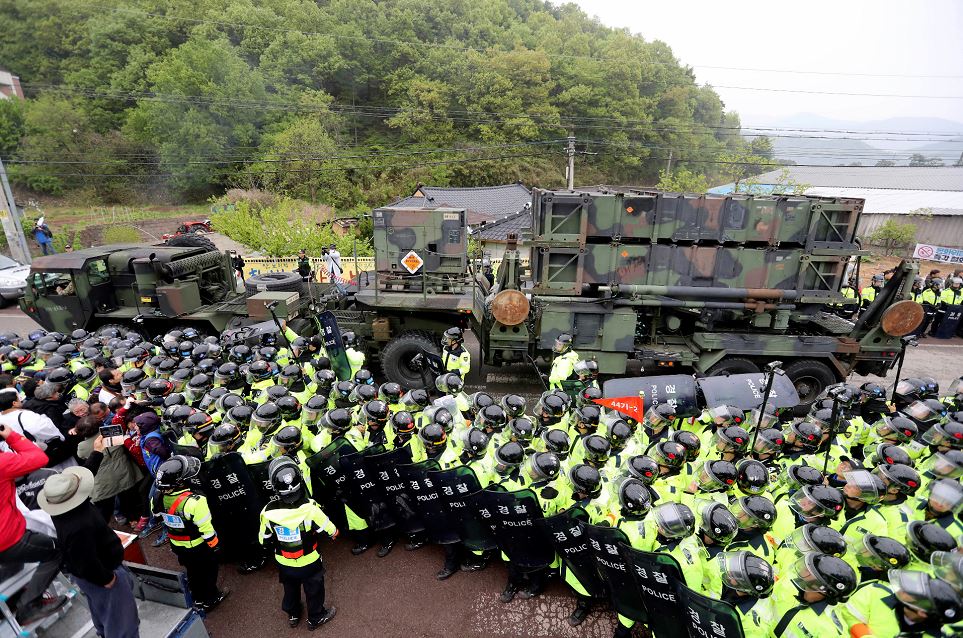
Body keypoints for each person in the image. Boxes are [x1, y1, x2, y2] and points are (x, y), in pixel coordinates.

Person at [39, 466, 140, 638]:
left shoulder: (63, 514)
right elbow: (86, 562)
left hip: (89, 576)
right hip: (103, 575)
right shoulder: (79, 525)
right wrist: (107, 579)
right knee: (123, 626)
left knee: (103, 613)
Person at [259, 457, 338, 630]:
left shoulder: (267, 512)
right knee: (314, 589)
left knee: (290, 588)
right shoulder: (310, 508)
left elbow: (263, 540)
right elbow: (331, 531)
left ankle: (293, 614)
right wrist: (331, 533)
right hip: (310, 561)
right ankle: (315, 617)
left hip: (284, 562)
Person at [0, 423, 67, 624]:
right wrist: (12, 436)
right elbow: (40, 458)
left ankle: (12, 602)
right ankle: (29, 606)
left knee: (15, 566)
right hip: (8, 537)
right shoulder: (2, 462)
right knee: (58, 551)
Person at [153, 455, 230, 612]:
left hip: (177, 545)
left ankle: (197, 597)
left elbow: (156, 516)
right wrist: (216, 547)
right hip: (198, 546)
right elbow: (206, 530)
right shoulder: (195, 501)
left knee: (192, 571)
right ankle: (211, 599)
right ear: (179, 482)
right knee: (208, 572)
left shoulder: (156, 497)